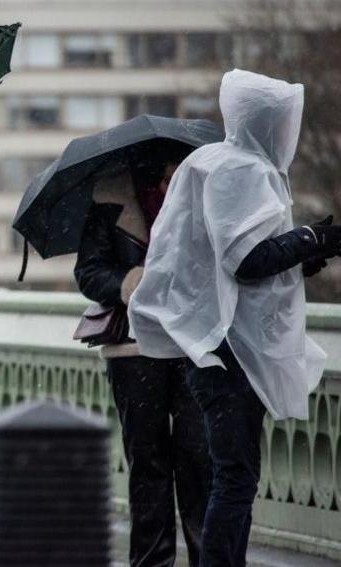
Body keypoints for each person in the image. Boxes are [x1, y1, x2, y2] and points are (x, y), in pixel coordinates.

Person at [129, 69, 338, 566]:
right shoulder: (243, 170)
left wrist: (301, 256)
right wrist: (310, 240)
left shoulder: (207, 162)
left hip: (211, 343)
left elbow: (217, 257)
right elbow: (244, 260)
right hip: (232, 348)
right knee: (235, 477)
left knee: (232, 473)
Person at [75, 157, 210, 567]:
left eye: (176, 179)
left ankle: (208, 558)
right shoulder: (111, 200)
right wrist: (131, 283)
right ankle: (151, 561)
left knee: (198, 458)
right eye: (165, 178)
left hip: (193, 347)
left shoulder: (204, 201)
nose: (171, 188)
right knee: (147, 462)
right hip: (134, 350)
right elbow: (89, 272)